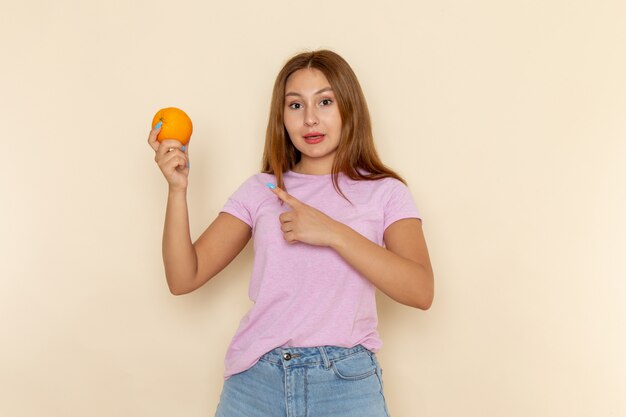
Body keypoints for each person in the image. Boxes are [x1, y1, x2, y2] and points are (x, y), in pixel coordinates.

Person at [148, 49, 434, 417]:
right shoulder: (262, 190)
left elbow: (421, 290)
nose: (310, 119)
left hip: (346, 387)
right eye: (295, 106)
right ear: (281, 117)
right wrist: (177, 190)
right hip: (256, 384)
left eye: (325, 101)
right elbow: (183, 277)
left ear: (350, 107)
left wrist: (331, 232)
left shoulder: (385, 192)